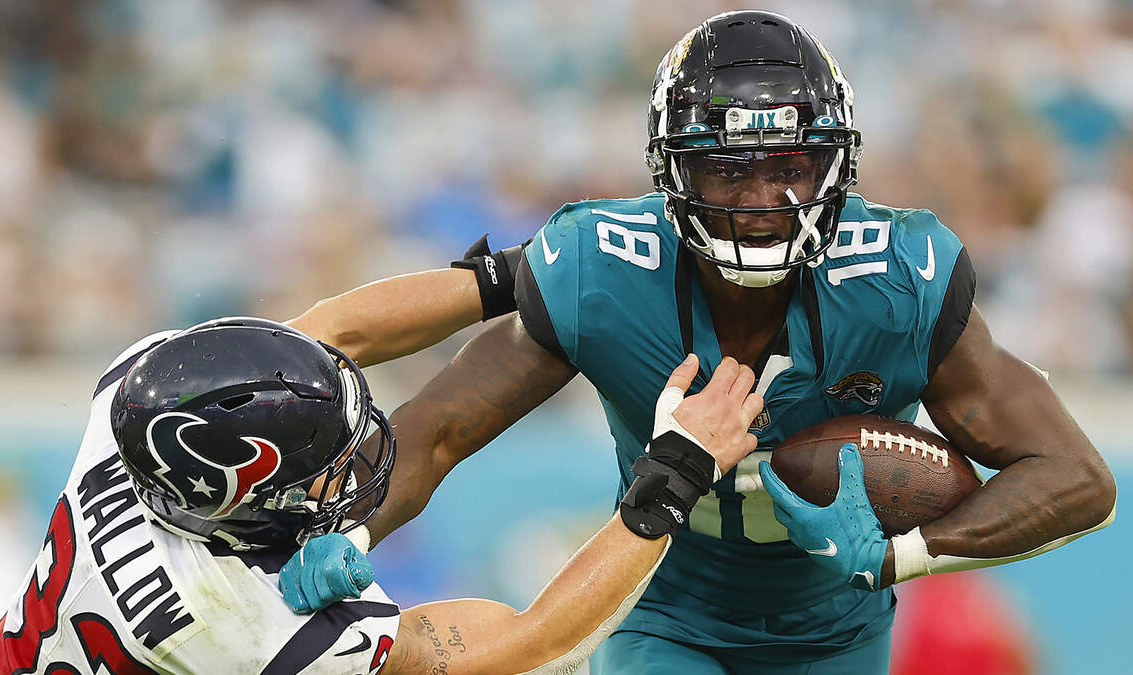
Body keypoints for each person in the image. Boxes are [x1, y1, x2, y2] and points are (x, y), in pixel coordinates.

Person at [293, 10, 1117, 674]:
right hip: (660, 610)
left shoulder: (902, 276)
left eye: (791, 164)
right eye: (729, 168)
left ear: (835, 166)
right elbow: (438, 429)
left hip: (836, 632)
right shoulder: (605, 268)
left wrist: (908, 551)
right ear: (674, 172)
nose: (763, 200)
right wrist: (348, 528)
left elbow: (1077, 477)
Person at [0, 311, 764, 675]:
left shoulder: (135, 416)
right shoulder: (247, 627)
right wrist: (675, 475)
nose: (354, 470)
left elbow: (325, 327)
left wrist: (507, 276)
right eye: (325, 470)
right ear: (252, 505)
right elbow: (529, 647)